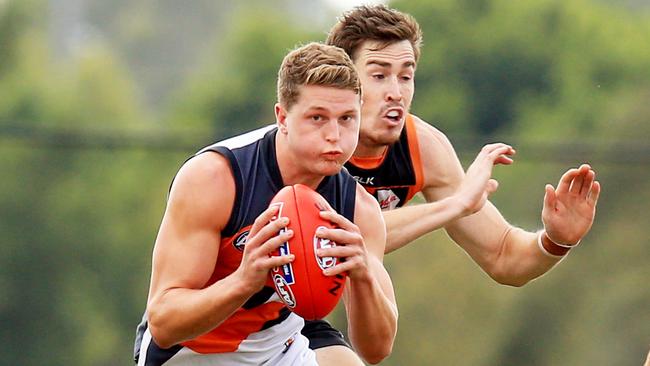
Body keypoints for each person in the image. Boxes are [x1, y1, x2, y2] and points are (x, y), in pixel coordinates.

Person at [301, 4, 601, 365]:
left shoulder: (421, 147)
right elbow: (335, 237)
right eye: (380, 76)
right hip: (232, 297)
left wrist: (555, 240)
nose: (396, 92)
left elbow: (504, 255)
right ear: (344, 80)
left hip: (293, 316)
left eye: (406, 76)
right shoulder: (312, 140)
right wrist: (454, 206)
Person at [133, 42, 398, 365]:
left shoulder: (359, 209)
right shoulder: (216, 178)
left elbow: (376, 350)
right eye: (317, 117)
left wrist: (364, 275)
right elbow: (164, 324)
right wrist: (245, 280)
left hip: (279, 343)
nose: (334, 135)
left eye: (347, 118)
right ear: (282, 117)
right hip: (192, 352)